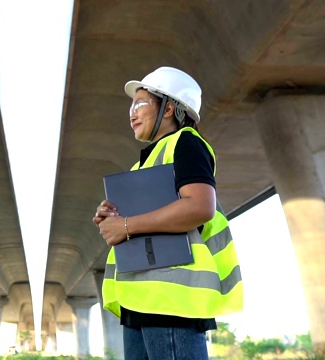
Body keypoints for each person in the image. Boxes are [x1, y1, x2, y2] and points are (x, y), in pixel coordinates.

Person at [93, 67, 243, 360]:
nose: (131, 113)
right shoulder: (142, 166)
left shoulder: (186, 142)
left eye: (140, 103)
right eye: (131, 105)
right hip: (139, 302)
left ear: (168, 108)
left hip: (171, 302)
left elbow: (200, 206)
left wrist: (125, 225)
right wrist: (110, 216)